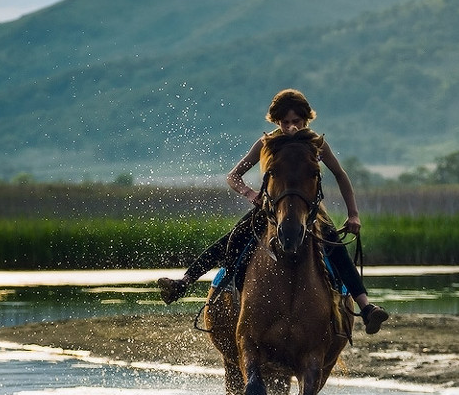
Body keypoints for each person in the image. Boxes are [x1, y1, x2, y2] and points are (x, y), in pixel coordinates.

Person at [156, 88, 389, 334]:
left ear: (305, 120)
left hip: (309, 212)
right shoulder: (266, 143)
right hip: (271, 209)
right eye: (285, 122)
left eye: (296, 122)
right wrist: (251, 194)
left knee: (334, 245)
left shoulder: (316, 144)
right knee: (233, 239)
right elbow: (233, 176)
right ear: (277, 121)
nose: (290, 127)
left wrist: (353, 214)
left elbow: (341, 176)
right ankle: (184, 282)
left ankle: (365, 308)